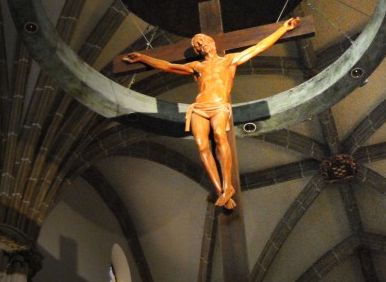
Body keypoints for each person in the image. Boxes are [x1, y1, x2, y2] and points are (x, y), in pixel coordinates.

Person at [122, 17, 300, 209]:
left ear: (212, 43)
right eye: (199, 45)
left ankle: (227, 186)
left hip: (219, 106)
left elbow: (259, 47)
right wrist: (143, 58)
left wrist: (283, 28)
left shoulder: (229, 60)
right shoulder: (197, 67)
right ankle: (221, 191)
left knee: (218, 134)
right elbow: (168, 66)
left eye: (204, 41)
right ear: (198, 50)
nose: (202, 45)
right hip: (199, 108)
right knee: (201, 146)